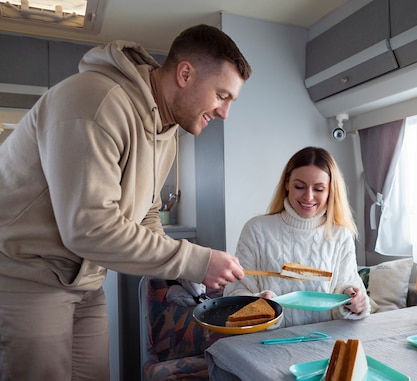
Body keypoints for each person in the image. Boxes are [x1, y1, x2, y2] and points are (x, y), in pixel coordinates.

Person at [0, 25, 249, 380]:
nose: (224, 112)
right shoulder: (95, 101)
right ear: (185, 73)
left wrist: (182, 271)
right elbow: (89, 228)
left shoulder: (165, 131)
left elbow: (145, 213)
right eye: (222, 95)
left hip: (85, 282)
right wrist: (195, 260)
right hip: (30, 277)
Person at [224, 146, 370, 327]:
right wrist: (259, 303)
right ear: (287, 184)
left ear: (330, 190)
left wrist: (352, 300)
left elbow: (348, 288)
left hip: (322, 340)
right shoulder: (257, 230)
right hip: (266, 343)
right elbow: (233, 293)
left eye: (318, 189)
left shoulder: (340, 234)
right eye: (299, 186)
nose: (308, 197)